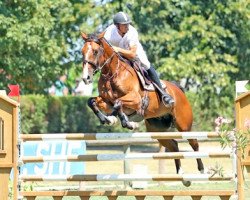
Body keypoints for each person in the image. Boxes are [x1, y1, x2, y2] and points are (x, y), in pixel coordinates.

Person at [104, 11, 174, 107]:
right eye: (124, 25)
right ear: (117, 26)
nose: (127, 26)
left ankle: (163, 94)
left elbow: (132, 54)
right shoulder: (109, 32)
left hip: (133, 52)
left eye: (128, 24)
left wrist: (117, 49)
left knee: (146, 64)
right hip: (116, 55)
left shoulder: (132, 32)